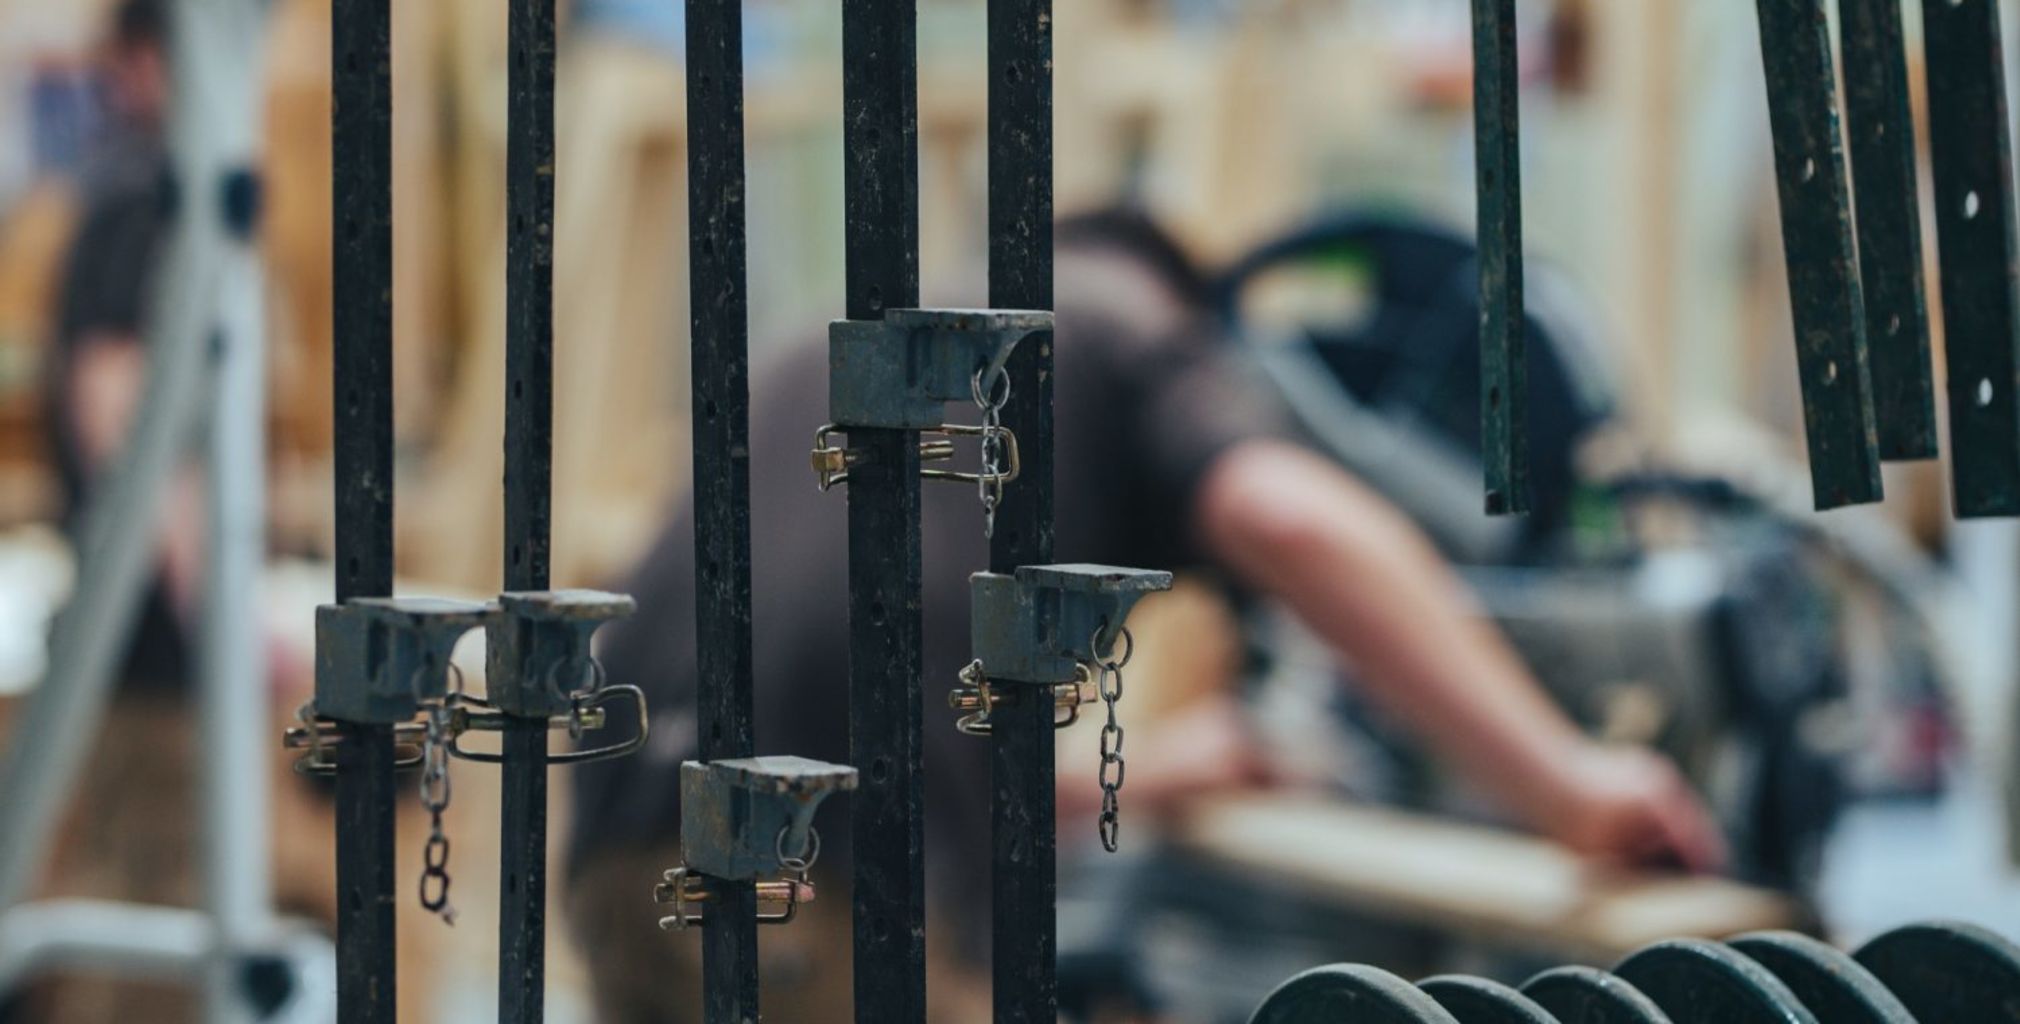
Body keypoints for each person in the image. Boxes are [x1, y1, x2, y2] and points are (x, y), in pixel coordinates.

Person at [565, 210, 1724, 1022]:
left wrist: (1144, 776)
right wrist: (1569, 783)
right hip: (821, 887)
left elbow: (842, 679)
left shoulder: (850, 344)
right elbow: (1293, 522)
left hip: (626, 848)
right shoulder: (1118, 319)